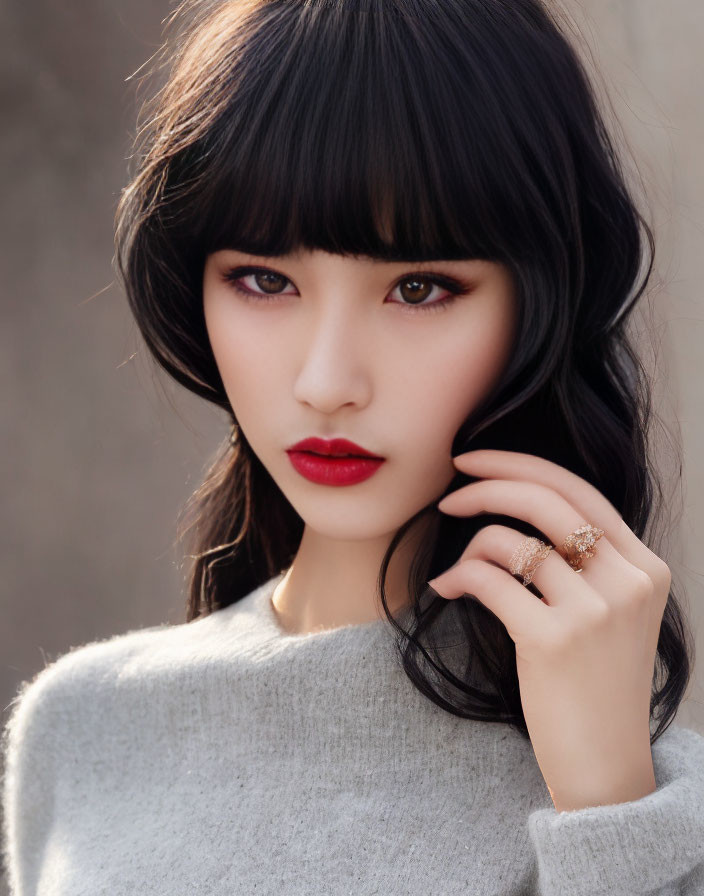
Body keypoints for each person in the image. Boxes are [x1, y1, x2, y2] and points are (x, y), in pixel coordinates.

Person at [3, 0, 704, 893]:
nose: (327, 381)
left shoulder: (646, 806)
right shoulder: (84, 729)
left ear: (540, 304)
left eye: (417, 288)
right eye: (263, 280)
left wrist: (609, 812)